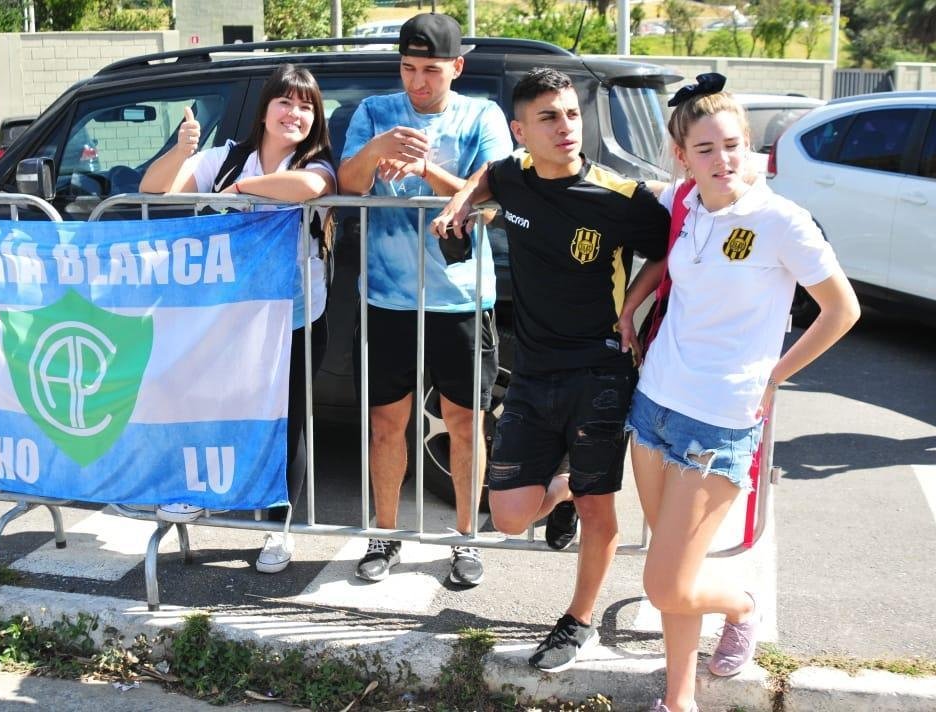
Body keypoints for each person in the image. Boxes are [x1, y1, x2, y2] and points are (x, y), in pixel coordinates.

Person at [616, 74, 860, 712]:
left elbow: (842, 310)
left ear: (749, 144)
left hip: (719, 421)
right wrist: (632, 307)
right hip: (654, 407)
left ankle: (742, 605)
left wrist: (775, 376)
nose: (722, 161)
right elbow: (672, 259)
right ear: (682, 157)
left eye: (732, 145)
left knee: (665, 583)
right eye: (705, 149)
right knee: (676, 574)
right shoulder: (688, 205)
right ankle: (678, 699)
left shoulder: (781, 220)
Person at [431, 67, 670, 671]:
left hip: (602, 369)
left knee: (598, 505)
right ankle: (559, 488)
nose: (565, 127)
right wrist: (460, 203)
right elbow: (490, 175)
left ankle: (577, 621)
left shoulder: (619, 197)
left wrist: (632, 308)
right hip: (533, 372)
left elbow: (672, 245)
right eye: (548, 117)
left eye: (570, 114)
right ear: (520, 131)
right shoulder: (513, 175)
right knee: (509, 518)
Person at [337, 13, 513, 587]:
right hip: (388, 297)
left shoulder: (481, 114)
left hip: (461, 297)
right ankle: (384, 534)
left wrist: (427, 168)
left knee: (467, 422)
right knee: (387, 423)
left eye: (431, 71)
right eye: (409, 69)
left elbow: (491, 187)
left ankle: (465, 538)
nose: (418, 82)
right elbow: (348, 183)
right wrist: (379, 149)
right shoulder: (374, 112)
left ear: (456, 68)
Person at [139, 63, 336, 574]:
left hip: (295, 318)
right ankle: (197, 493)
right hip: (229, 319)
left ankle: (279, 528)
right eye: (285, 102)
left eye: (306, 105)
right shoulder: (228, 157)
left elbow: (308, 188)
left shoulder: (318, 162)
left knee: (284, 424)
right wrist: (182, 151)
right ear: (265, 107)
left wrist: (236, 195)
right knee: (207, 404)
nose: (295, 113)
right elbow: (155, 188)